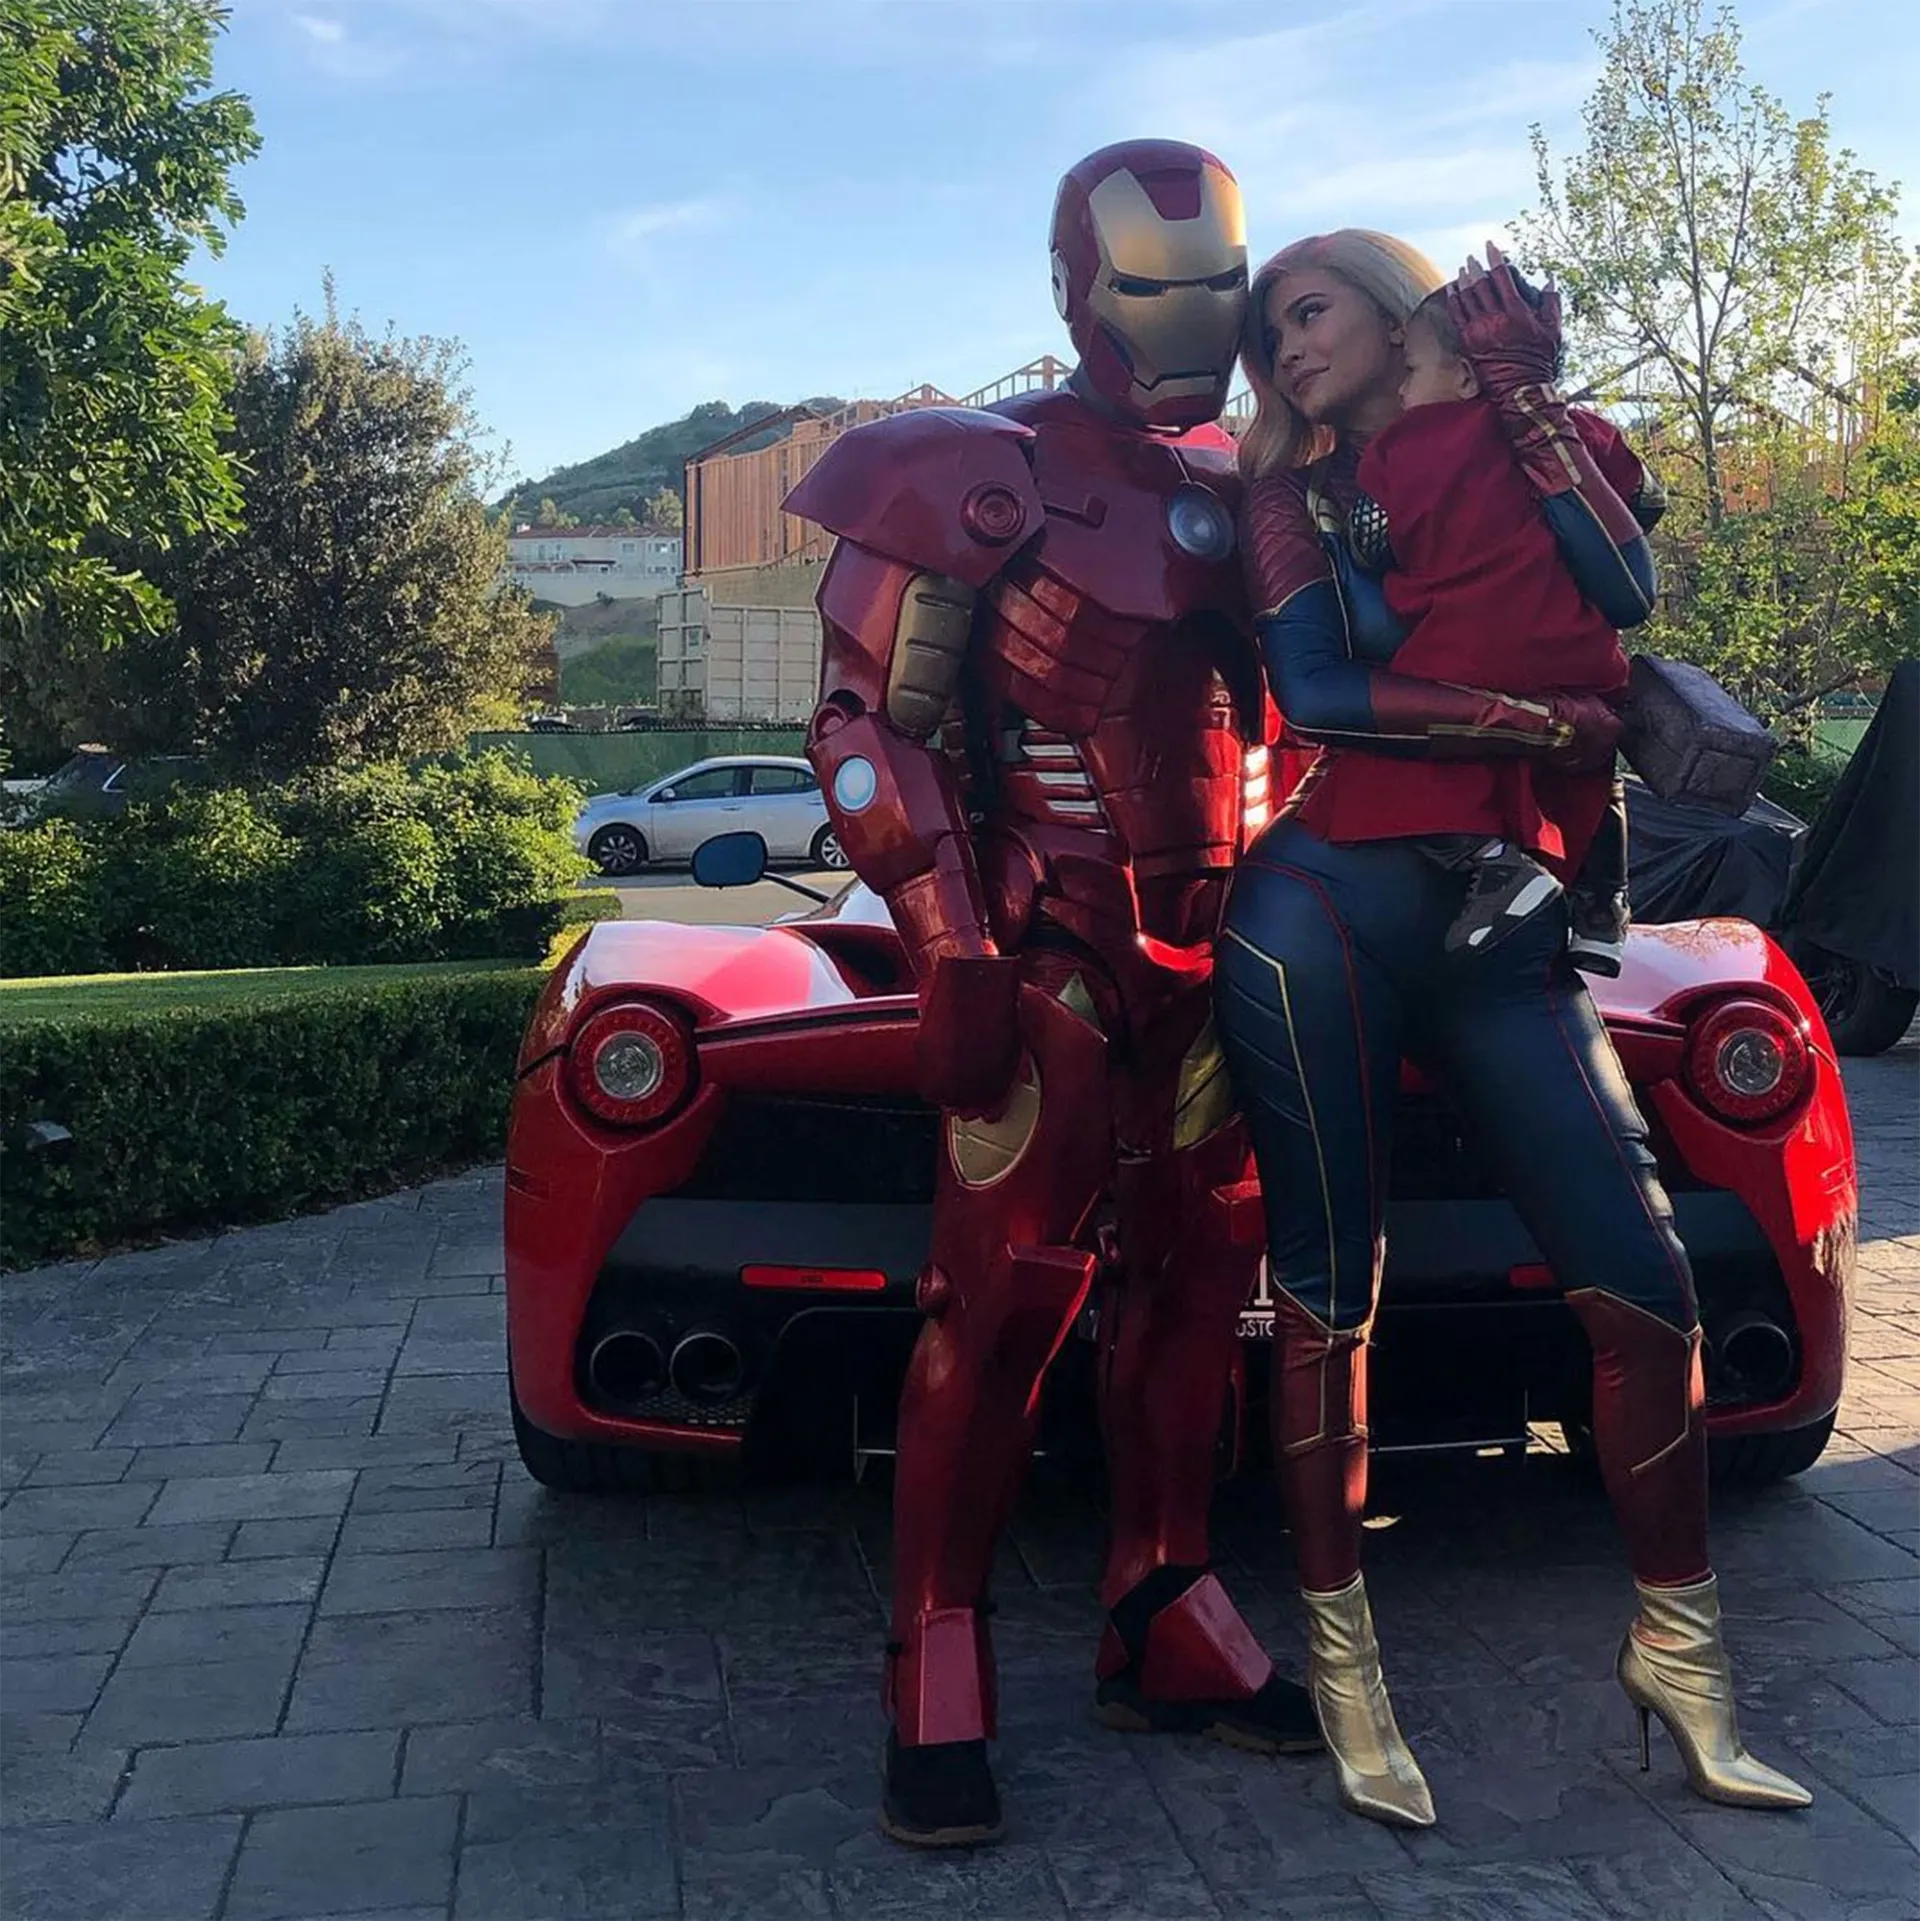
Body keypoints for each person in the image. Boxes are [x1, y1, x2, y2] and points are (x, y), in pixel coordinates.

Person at [1215, 228, 1811, 1829]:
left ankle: (1683, 1659)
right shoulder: (1289, 502)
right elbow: (1319, 695)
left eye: (1311, 312)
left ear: (1393, 305)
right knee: (1328, 1299)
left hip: (1512, 917)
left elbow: (1624, 587)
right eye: (1270, 335)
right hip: (1322, 906)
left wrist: (1533, 410)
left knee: (1648, 1285)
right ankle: (1347, 1676)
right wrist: (1547, 719)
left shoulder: (1518, 434)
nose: (1288, 349)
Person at [784, 140, 1320, 1851]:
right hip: (1053, 955)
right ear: (1077, 290)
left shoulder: (1271, 482)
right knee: (1002, 1304)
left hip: (1229, 955)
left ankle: (1165, 1600)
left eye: (1219, 284)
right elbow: (862, 728)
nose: (1195, 323)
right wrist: (949, 934)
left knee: (1201, 1292)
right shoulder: (973, 471)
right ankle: (935, 1646)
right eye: (1154, 287)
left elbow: (1333, 708)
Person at [1364, 283, 1637, 974]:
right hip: (1577, 644)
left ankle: (1494, 862)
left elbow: (1376, 540)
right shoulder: (1577, 428)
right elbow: (1638, 495)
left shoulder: (1403, 446)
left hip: (1467, 647)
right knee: (1593, 761)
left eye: (1411, 372)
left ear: (1463, 375)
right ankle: (1602, 905)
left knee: (1391, 764)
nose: (1401, 393)